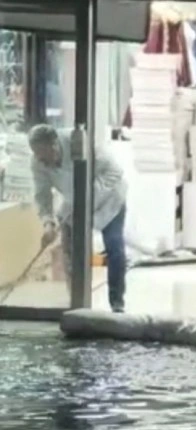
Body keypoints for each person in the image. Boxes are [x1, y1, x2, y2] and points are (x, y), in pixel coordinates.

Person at [28, 124, 128, 313]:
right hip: (73, 204)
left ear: (55, 144)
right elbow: (42, 195)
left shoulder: (81, 144)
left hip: (109, 200)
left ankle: (117, 303)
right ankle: (76, 303)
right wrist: (48, 222)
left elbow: (114, 172)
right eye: (37, 154)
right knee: (70, 252)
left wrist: (86, 197)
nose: (41, 160)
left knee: (114, 247)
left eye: (44, 153)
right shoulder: (38, 162)